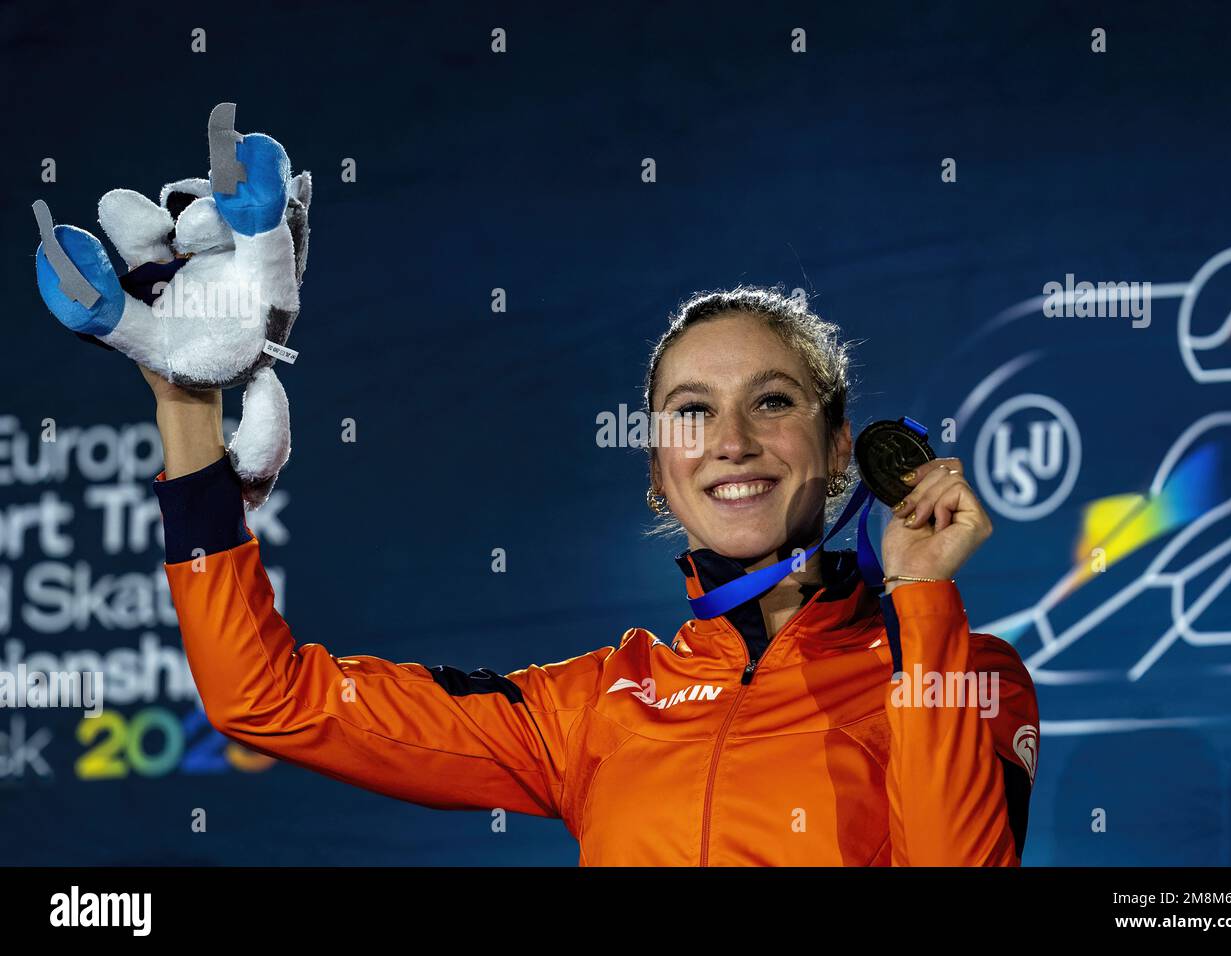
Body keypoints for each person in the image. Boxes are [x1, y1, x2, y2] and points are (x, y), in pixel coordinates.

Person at [148, 284, 1039, 866]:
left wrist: (921, 599)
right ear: (659, 471)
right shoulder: (594, 711)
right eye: (691, 413)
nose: (731, 441)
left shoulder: (966, 672)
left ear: (840, 443)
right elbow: (261, 699)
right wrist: (186, 403)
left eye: (772, 401)